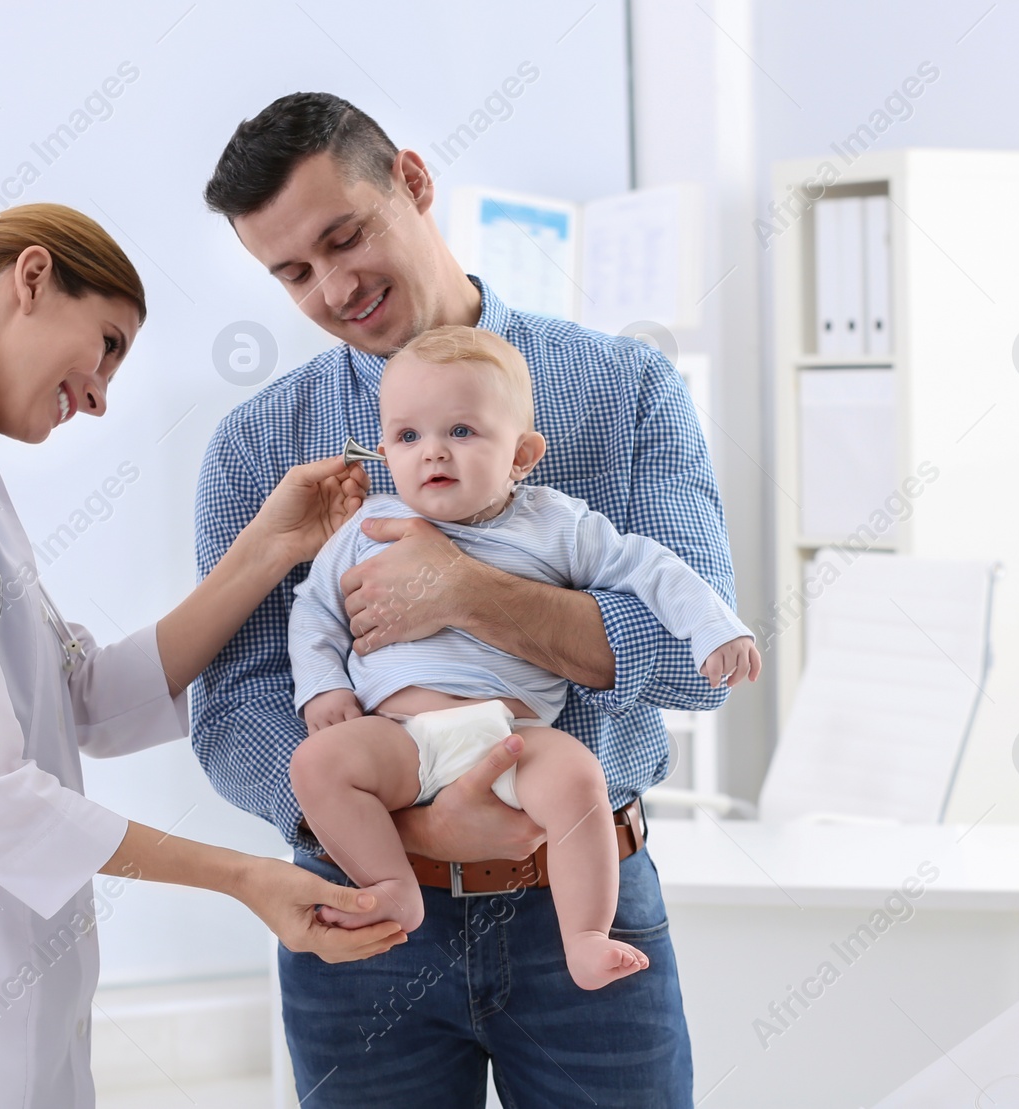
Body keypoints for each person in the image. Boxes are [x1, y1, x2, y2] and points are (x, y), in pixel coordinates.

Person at [0, 202, 404, 1109]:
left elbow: (83, 697)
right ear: (31, 278)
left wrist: (272, 545)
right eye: (107, 344)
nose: (103, 392)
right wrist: (244, 877)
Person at [194, 93, 745, 1106]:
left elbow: (689, 663)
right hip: (362, 916)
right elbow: (234, 706)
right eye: (293, 273)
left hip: (584, 903)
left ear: (412, 180)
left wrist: (467, 592)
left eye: (345, 235)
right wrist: (415, 824)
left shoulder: (624, 392)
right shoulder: (258, 447)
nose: (335, 286)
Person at [287, 325, 761, 991]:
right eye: (407, 436)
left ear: (523, 454)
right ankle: (392, 885)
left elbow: (652, 566)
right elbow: (314, 612)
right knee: (316, 763)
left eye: (461, 431)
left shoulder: (554, 524)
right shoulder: (366, 529)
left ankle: (587, 935)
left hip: (514, 738)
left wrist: (715, 629)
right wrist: (321, 688)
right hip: (399, 739)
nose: (432, 453)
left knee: (578, 781)